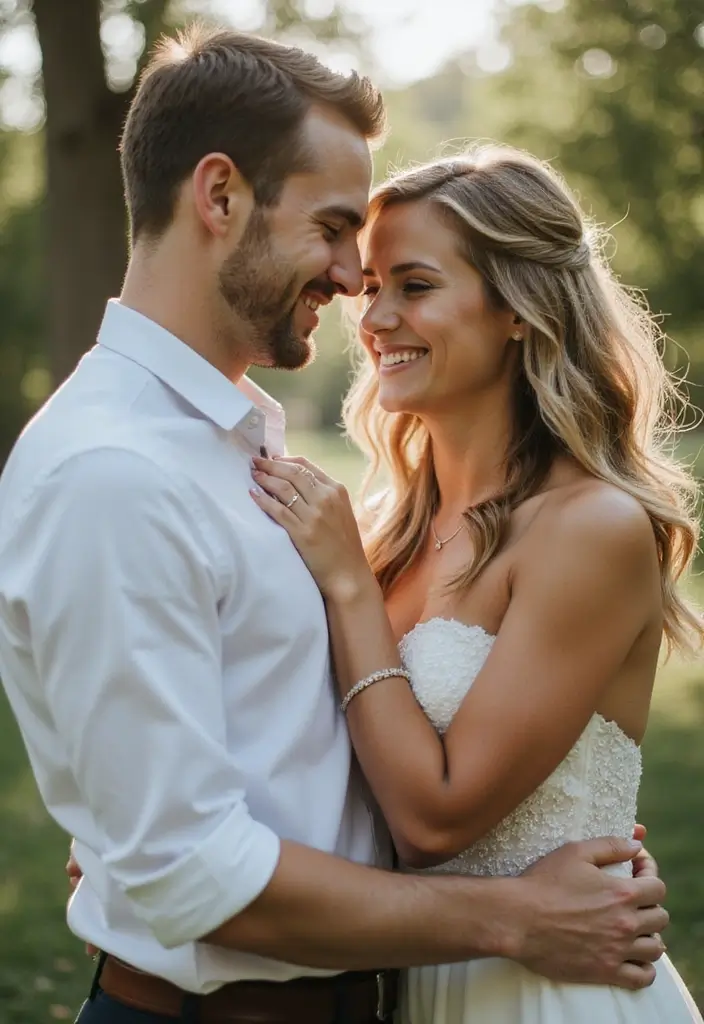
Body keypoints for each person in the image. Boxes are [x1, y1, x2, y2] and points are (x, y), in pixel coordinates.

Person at [0, 27, 668, 1024]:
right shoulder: (115, 472)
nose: (356, 283)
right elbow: (188, 869)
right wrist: (512, 914)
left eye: (406, 277)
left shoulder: (250, 454)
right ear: (219, 197)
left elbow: (284, 740)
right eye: (334, 229)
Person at [251, 145, 704, 1023]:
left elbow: (434, 821)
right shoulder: (384, 533)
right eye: (371, 285)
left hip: (550, 992)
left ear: (518, 312)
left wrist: (347, 588)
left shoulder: (590, 529)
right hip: (407, 979)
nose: (376, 316)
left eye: (415, 286)